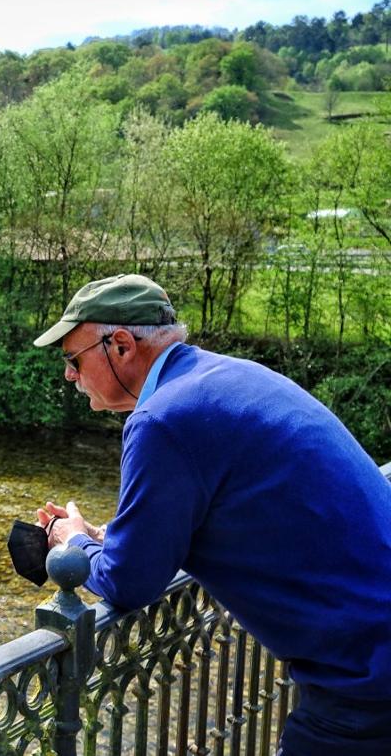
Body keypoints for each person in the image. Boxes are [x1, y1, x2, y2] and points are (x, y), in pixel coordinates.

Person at [31, 273, 391, 756]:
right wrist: (112, 535)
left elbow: (130, 581)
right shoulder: (226, 377)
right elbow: (231, 509)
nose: (69, 376)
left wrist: (74, 541)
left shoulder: (161, 419)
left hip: (366, 678)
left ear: (120, 346)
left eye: (74, 360)